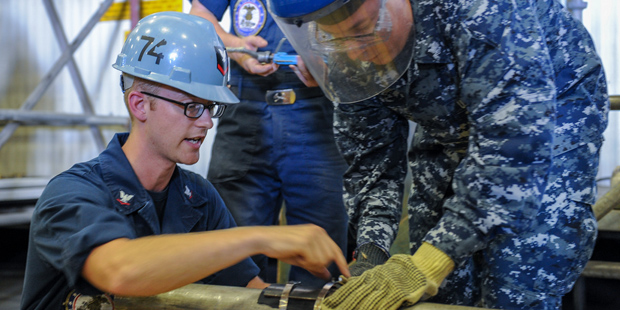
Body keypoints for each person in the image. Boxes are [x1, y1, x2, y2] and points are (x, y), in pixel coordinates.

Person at [267, 0, 610, 309]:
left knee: (516, 280)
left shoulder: (482, 10)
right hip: (445, 122)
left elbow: (512, 150)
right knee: (443, 291)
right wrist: (370, 257)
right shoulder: (346, 48)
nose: (357, 53)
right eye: (336, 38)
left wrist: (427, 265)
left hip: (547, 116)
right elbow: (373, 166)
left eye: (364, 31)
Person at [20, 11, 349, 310]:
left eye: (211, 108)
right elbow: (119, 271)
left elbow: (251, 294)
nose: (207, 122)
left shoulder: (200, 199)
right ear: (139, 104)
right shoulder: (71, 194)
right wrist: (261, 236)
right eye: (192, 107)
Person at [189, 0, 350, 287]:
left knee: (322, 250)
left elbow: (361, 18)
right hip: (245, 108)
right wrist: (236, 48)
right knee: (232, 247)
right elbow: (201, 16)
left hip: (315, 109)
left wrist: (328, 60)